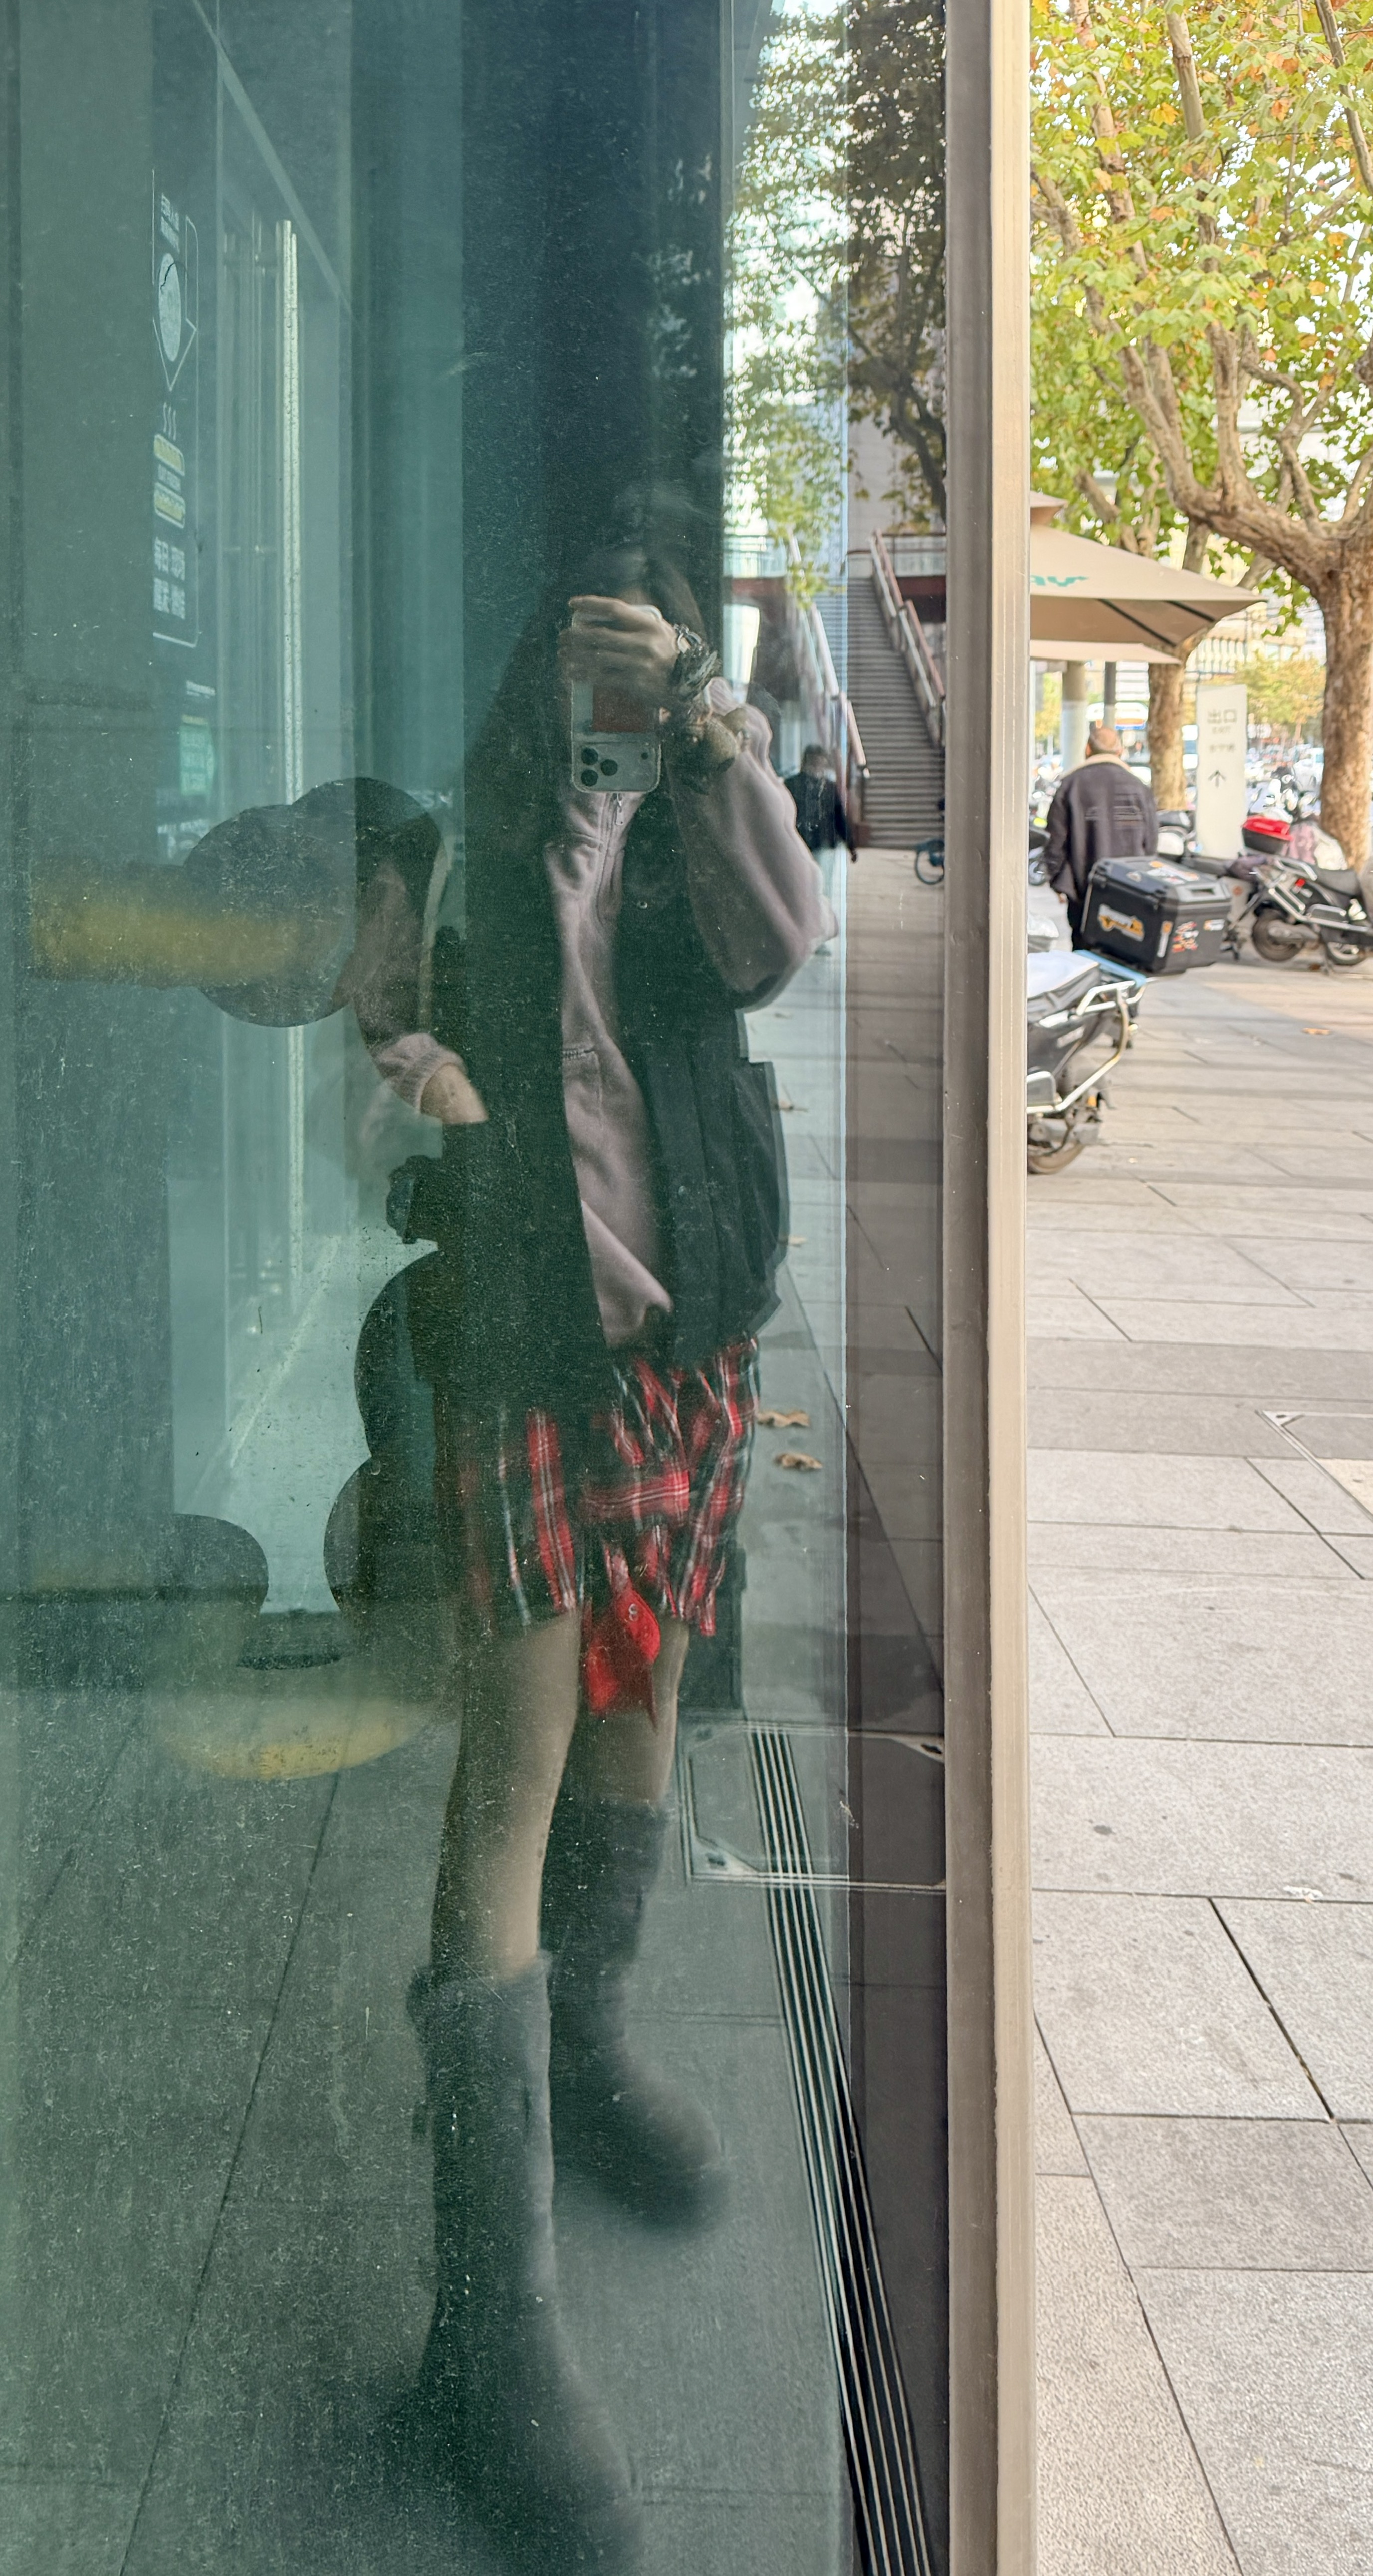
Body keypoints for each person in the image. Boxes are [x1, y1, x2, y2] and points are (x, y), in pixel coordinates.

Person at [349, 540, 831, 2568]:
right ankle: (491, 2330)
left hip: (690, 1347)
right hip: (527, 1352)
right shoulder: (455, 845)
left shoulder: (692, 812)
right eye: (581, 649)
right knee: (519, 1757)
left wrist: (713, 730)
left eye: (641, 651)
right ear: (526, 662)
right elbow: (382, 1036)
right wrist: (427, 1082)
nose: (606, 687)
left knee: (642, 1702)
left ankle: (598, 2042)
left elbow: (783, 944)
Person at [1043, 719, 1157, 944]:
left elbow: (1055, 840)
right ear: (1120, 751)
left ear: (1088, 749)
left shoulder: (1071, 785)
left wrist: (1057, 880)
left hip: (1084, 892)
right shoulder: (1139, 788)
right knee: (1125, 948)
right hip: (1131, 890)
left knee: (1084, 949)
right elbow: (1151, 843)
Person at [784, 741, 857, 865]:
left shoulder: (829, 788)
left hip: (823, 843)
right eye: (813, 762)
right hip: (800, 841)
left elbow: (839, 817)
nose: (816, 765)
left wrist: (851, 844)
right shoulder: (792, 785)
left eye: (819, 762)